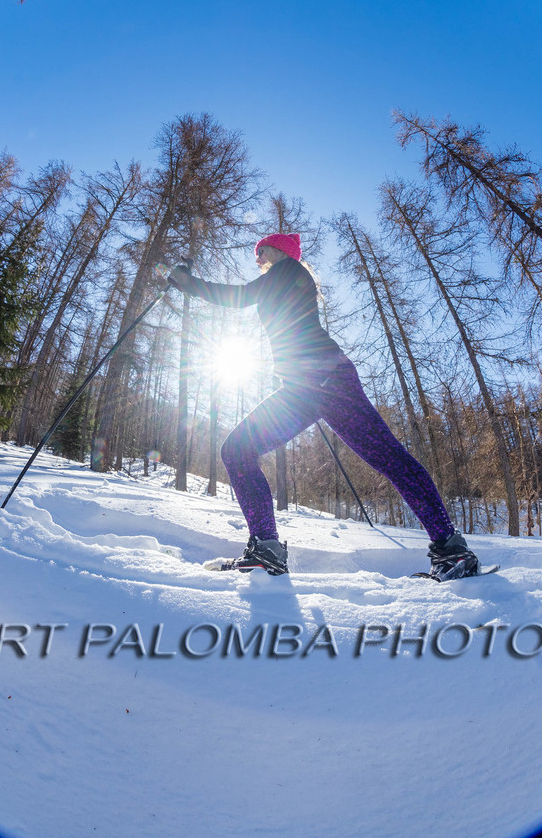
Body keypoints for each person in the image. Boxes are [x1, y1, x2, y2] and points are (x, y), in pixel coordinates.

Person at [166, 232, 481, 580]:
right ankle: (265, 550)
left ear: (277, 250)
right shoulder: (285, 279)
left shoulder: (287, 272)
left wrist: (187, 283)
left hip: (326, 380)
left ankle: (452, 551)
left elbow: (240, 296)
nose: (257, 259)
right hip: (306, 386)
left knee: (388, 458)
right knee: (238, 450)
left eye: (261, 252)